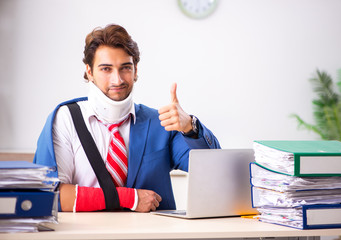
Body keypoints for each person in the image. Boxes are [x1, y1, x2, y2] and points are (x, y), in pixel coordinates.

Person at [34, 24, 221, 213]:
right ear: (89, 72)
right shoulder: (66, 120)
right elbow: (50, 194)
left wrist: (190, 126)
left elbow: (213, 170)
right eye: (106, 69)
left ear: (135, 70)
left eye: (125, 68)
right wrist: (129, 198)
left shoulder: (160, 122)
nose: (117, 80)